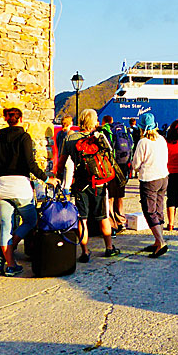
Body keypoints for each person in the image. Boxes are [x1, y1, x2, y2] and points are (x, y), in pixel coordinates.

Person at [0, 107, 57, 276]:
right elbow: (31, 164)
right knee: (30, 220)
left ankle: (10, 264)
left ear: (6, 119)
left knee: (5, 225)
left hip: (2, 186)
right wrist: (47, 179)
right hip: (20, 186)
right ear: (21, 119)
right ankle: (13, 245)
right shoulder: (24, 137)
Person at [54, 109, 120, 264]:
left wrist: (57, 177)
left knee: (82, 218)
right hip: (99, 183)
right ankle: (109, 247)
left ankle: (85, 251)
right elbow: (110, 158)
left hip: (81, 184)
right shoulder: (99, 137)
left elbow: (62, 162)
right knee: (102, 216)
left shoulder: (70, 138)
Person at [130, 113, 169, 258]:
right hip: (163, 176)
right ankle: (158, 240)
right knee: (159, 208)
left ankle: (161, 242)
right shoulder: (161, 139)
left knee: (149, 210)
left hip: (149, 178)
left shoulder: (143, 142)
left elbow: (136, 163)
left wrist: (136, 168)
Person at [99, 115, 126, 236]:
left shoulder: (103, 131)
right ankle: (121, 222)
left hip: (111, 167)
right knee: (119, 196)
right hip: (123, 167)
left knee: (109, 198)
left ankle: (112, 225)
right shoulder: (121, 131)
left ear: (104, 122)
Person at [55, 116, 75, 193]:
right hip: (69, 157)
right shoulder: (70, 133)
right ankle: (66, 193)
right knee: (68, 176)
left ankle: (60, 191)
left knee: (63, 177)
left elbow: (57, 144)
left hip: (60, 156)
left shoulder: (59, 133)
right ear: (70, 123)